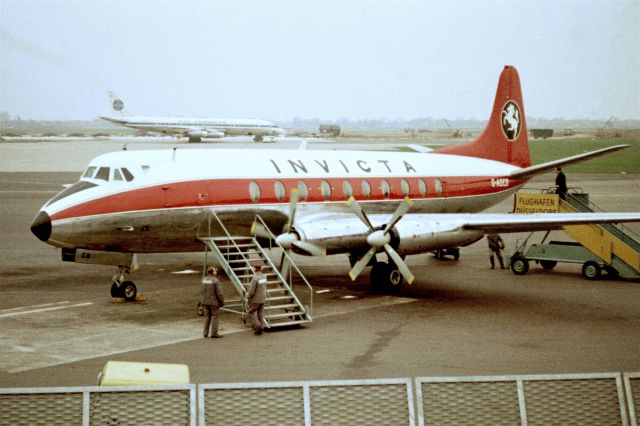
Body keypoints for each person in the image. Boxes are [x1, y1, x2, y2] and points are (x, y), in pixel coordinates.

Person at [201, 266, 224, 338]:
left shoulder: (203, 280)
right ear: (213, 272)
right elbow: (219, 293)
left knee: (207, 317)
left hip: (205, 301)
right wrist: (222, 302)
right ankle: (214, 333)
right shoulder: (215, 281)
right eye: (215, 271)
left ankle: (205, 333)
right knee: (215, 317)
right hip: (214, 302)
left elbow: (202, 291)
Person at [246, 263, 267, 335]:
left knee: (251, 312)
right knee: (260, 313)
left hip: (256, 299)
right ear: (261, 268)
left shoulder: (255, 279)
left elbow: (252, 291)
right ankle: (261, 326)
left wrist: (248, 297)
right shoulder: (264, 277)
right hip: (263, 298)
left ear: (254, 269)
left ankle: (258, 326)